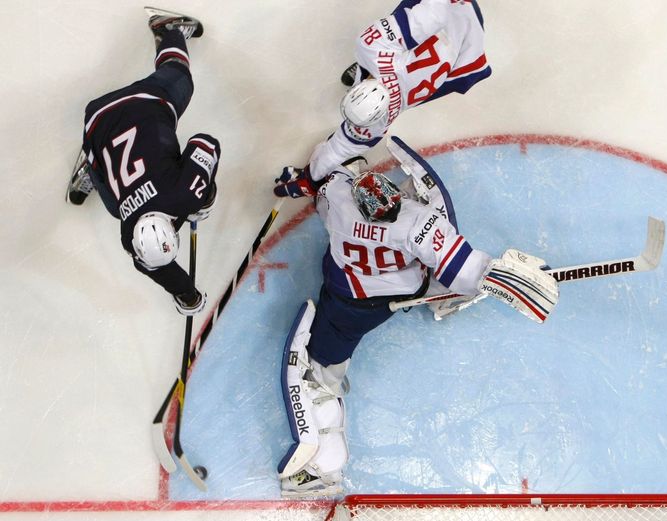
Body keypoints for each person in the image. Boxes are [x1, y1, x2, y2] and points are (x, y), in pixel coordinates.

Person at [276, 138, 559, 498]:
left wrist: (316, 176)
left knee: (322, 367)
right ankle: (442, 298)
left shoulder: (338, 200)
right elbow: (468, 271)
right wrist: (504, 277)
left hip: (350, 297)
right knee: (442, 263)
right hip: (400, 290)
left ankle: (323, 468)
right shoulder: (417, 222)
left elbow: (325, 179)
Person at [66, 7, 220, 316]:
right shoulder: (128, 236)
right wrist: (185, 294)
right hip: (93, 125)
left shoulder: (182, 195)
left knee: (179, 78)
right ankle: (91, 169)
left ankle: (169, 31)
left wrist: (203, 193)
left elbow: (206, 143)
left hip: (137, 105)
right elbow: (155, 267)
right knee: (115, 207)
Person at [273, 0, 491, 199]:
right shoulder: (372, 46)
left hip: (445, 50)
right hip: (462, 35)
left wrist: (310, 179)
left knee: (409, 26)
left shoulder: (381, 119)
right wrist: (309, 179)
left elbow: (338, 148)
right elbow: (430, 17)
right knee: (407, 24)